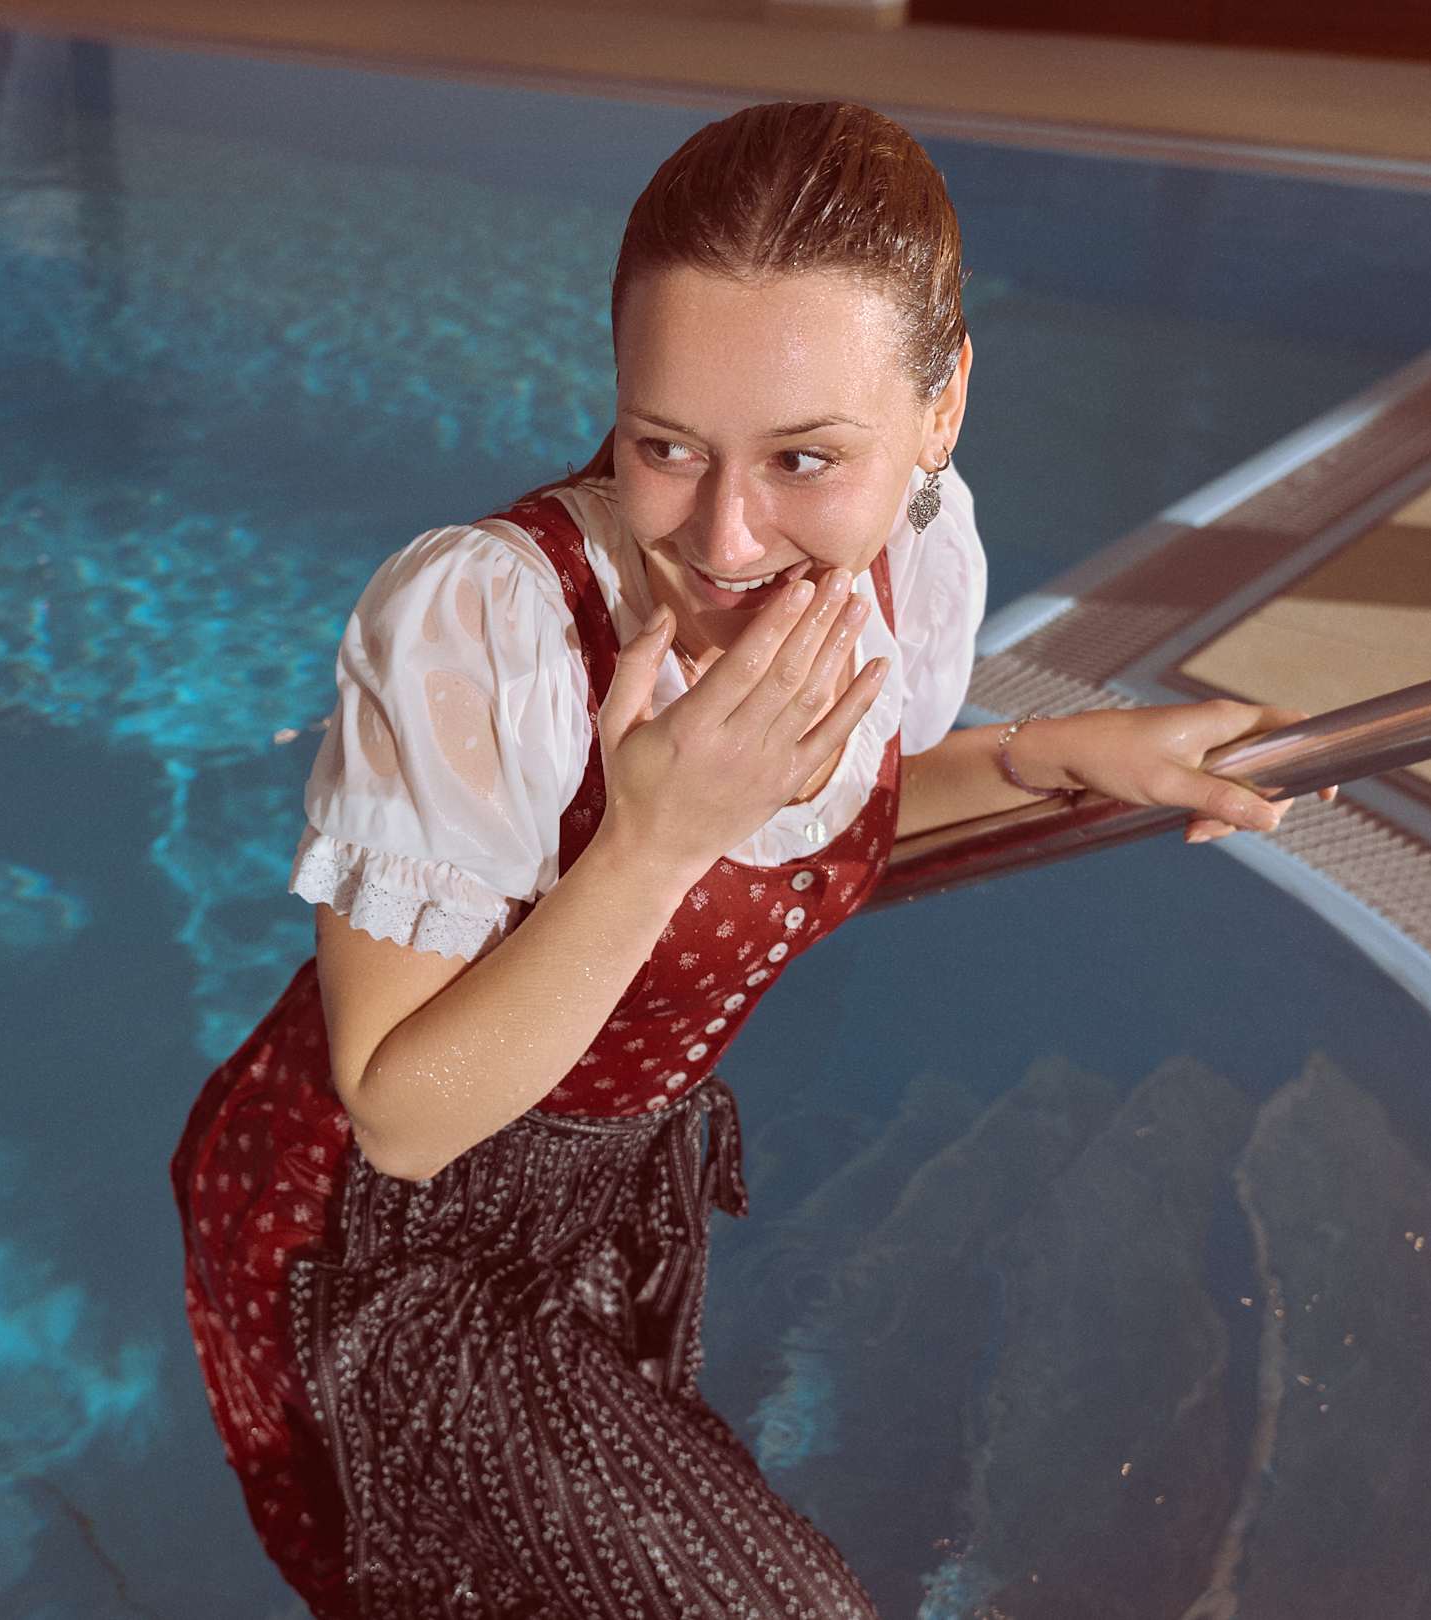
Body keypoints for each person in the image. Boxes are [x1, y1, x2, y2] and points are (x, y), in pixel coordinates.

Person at [169, 99, 1335, 1620]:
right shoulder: (492, 625)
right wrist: (652, 838)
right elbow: (398, 1114)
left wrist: (1051, 754)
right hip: (383, 1252)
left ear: (941, 409)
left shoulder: (909, 561)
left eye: (803, 456)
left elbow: (817, 814)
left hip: (602, 1195)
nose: (725, 537)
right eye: (665, 444)